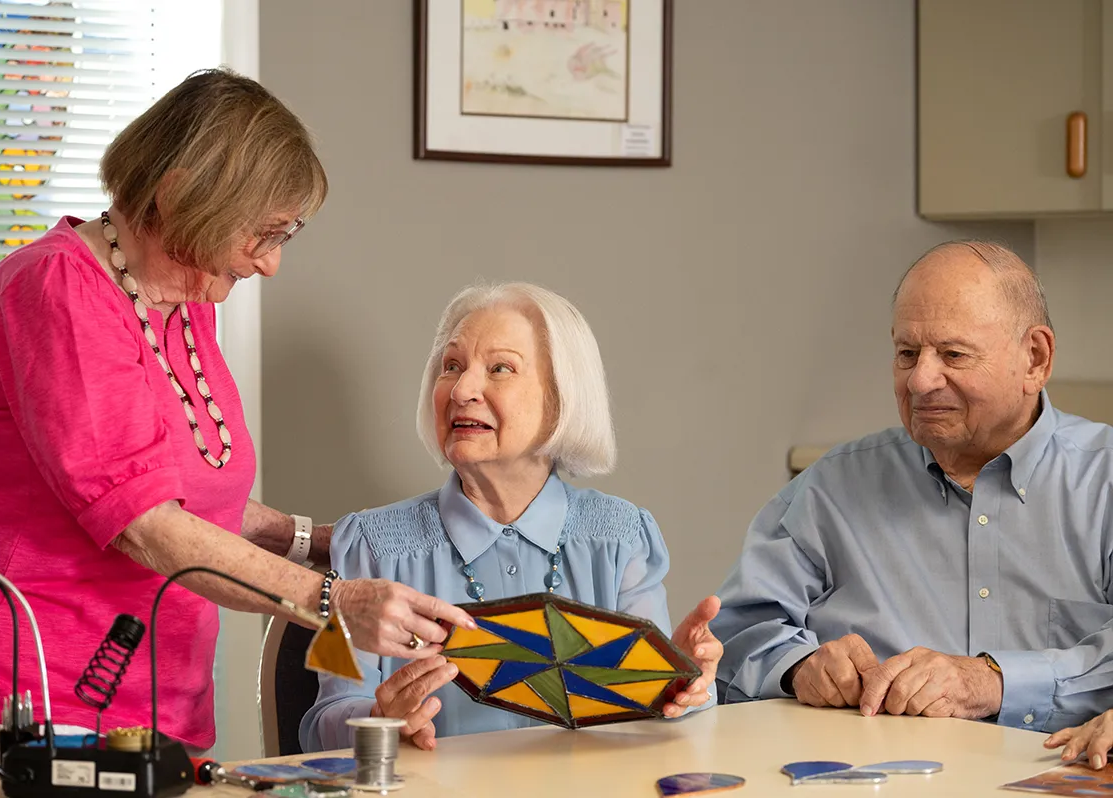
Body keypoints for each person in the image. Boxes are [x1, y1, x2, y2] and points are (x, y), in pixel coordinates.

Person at [0, 67, 474, 786]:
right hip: (39, 692)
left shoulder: (184, 303)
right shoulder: (55, 293)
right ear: (181, 193)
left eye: (286, 236)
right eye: (263, 235)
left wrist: (325, 541)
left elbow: (186, 497)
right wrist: (333, 602)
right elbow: (143, 522)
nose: (271, 264)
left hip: (158, 692)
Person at [708, 240, 1113, 735]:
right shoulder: (832, 487)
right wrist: (796, 669)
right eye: (906, 353)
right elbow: (732, 637)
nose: (920, 381)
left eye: (953, 354)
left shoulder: (1104, 481)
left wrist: (995, 681)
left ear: (1035, 358)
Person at [300, 282, 722, 752]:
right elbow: (324, 720)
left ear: (561, 399)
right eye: (452, 367)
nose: (461, 390)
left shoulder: (621, 538)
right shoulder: (369, 545)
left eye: (500, 368)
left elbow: (658, 711)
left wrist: (685, 682)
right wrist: (379, 719)